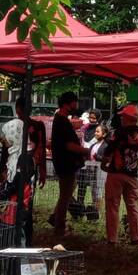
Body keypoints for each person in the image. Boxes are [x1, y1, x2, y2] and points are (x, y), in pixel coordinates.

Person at [100, 105, 138, 244]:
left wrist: (104, 164)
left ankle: (112, 239)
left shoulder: (117, 133)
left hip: (115, 175)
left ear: (127, 118)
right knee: (133, 205)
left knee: (112, 206)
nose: (121, 118)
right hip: (132, 176)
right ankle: (136, 237)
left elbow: (108, 152)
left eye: (123, 116)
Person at [0, 100, 48, 247]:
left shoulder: (28, 127)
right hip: (22, 171)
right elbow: (7, 153)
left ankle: (20, 242)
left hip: (25, 172)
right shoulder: (16, 128)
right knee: (12, 211)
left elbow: (41, 147)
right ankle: (11, 241)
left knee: (21, 211)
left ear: (18, 108)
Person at [49, 91, 90, 237]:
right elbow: (69, 146)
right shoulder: (62, 121)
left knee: (66, 192)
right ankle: (60, 226)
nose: (76, 105)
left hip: (63, 163)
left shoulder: (59, 119)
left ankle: (55, 217)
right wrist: (86, 150)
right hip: (66, 164)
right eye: (75, 102)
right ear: (68, 103)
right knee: (65, 195)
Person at [74, 123, 108, 221]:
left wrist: (97, 157)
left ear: (104, 134)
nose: (96, 133)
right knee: (93, 190)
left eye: (98, 132)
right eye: (95, 131)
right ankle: (93, 213)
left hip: (100, 171)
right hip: (92, 171)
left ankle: (97, 213)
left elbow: (106, 159)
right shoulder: (93, 145)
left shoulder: (106, 146)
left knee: (98, 192)